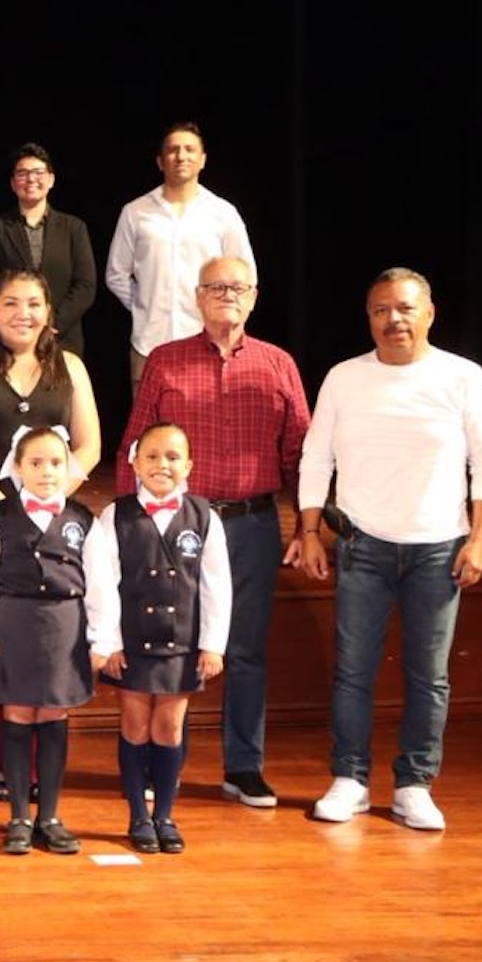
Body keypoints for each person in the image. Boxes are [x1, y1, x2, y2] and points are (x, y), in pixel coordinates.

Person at [294, 268, 482, 832]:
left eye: (405, 308)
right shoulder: (344, 378)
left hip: (439, 548)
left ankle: (415, 784)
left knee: (428, 677)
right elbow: (316, 457)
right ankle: (350, 779)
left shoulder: (463, 377)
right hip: (362, 544)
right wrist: (309, 531)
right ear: (369, 319)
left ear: (429, 313)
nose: (394, 320)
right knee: (353, 672)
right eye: (381, 310)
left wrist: (479, 539)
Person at [116, 255, 310, 809]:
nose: (228, 295)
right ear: (198, 297)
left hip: (251, 524)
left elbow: (300, 451)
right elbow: (135, 444)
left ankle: (244, 767)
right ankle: (161, 765)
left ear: (254, 297)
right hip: (180, 523)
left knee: (245, 649)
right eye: (216, 287)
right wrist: (131, 523)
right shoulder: (166, 360)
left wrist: (308, 524)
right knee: (168, 643)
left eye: (238, 287)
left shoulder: (278, 364)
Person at [0, 269, 101, 800]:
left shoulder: (70, 367)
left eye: (33, 303)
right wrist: (5, 510)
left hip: (50, 528)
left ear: (49, 312)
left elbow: (90, 446)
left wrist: (46, 503)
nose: (22, 313)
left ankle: (41, 771)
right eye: (10, 303)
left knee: (46, 645)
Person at [0, 426, 119, 856]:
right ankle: (18, 816)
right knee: (16, 712)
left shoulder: (84, 520)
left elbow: (101, 585)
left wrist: (101, 639)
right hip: (14, 624)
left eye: (55, 463)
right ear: (17, 467)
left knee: (52, 712)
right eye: (35, 463)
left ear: (68, 467)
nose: (46, 471)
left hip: (64, 627)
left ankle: (48, 816)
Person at [99, 422, 230, 854]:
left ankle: (165, 815)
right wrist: (109, 641)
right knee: (136, 724)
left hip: (182, 644)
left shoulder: (204, 516)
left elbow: (216, 586)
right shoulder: (115, 515)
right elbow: (104, 584)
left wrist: (213, 644)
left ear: (189, 464)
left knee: (170, 726)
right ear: (135, 463)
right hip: (133, 642)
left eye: (173, 457)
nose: (162, 465)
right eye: (152, 456)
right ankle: (138, 815)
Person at [105, 123, 255, 388]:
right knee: (148, 416)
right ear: (160, 161)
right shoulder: (135, 212)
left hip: (209, 341)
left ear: (203, 160)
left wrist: (221, 310)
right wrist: (145, 303)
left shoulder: (223, 213)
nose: (181, 156)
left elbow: (246, 276)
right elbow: (116, 274)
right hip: (149, 343)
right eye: (173, 150)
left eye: (189, 149)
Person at [0, 144, 98, 355]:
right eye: (22, 174)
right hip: (10, 340)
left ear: (51, 180)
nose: (31, 179)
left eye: (38, 172)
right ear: (13, 183)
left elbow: (85, 285)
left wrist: (51, 324)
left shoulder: (74, 228)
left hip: (63, 339)